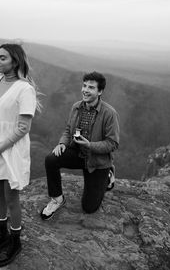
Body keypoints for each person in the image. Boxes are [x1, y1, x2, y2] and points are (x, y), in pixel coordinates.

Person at [0, 43, 40, 267]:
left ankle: (15, 240)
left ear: (15, 61)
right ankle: (1, 233)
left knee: (11, 196)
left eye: (2, 58)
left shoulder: (25, 89)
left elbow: (23, 127)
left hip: (12, 150)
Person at [40, 71, 119, 220]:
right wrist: (62, 143)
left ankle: (108, 174)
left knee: (89, 208)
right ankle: (57, 199)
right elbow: (69, 130)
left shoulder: (109, 113)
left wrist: (90, 145)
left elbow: (112, 143)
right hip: (78, 154)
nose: (85, 90)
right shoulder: (77, 107)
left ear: (100, 91)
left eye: (91, 87)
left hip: (96, 161)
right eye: (84, 86)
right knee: (51, 159)